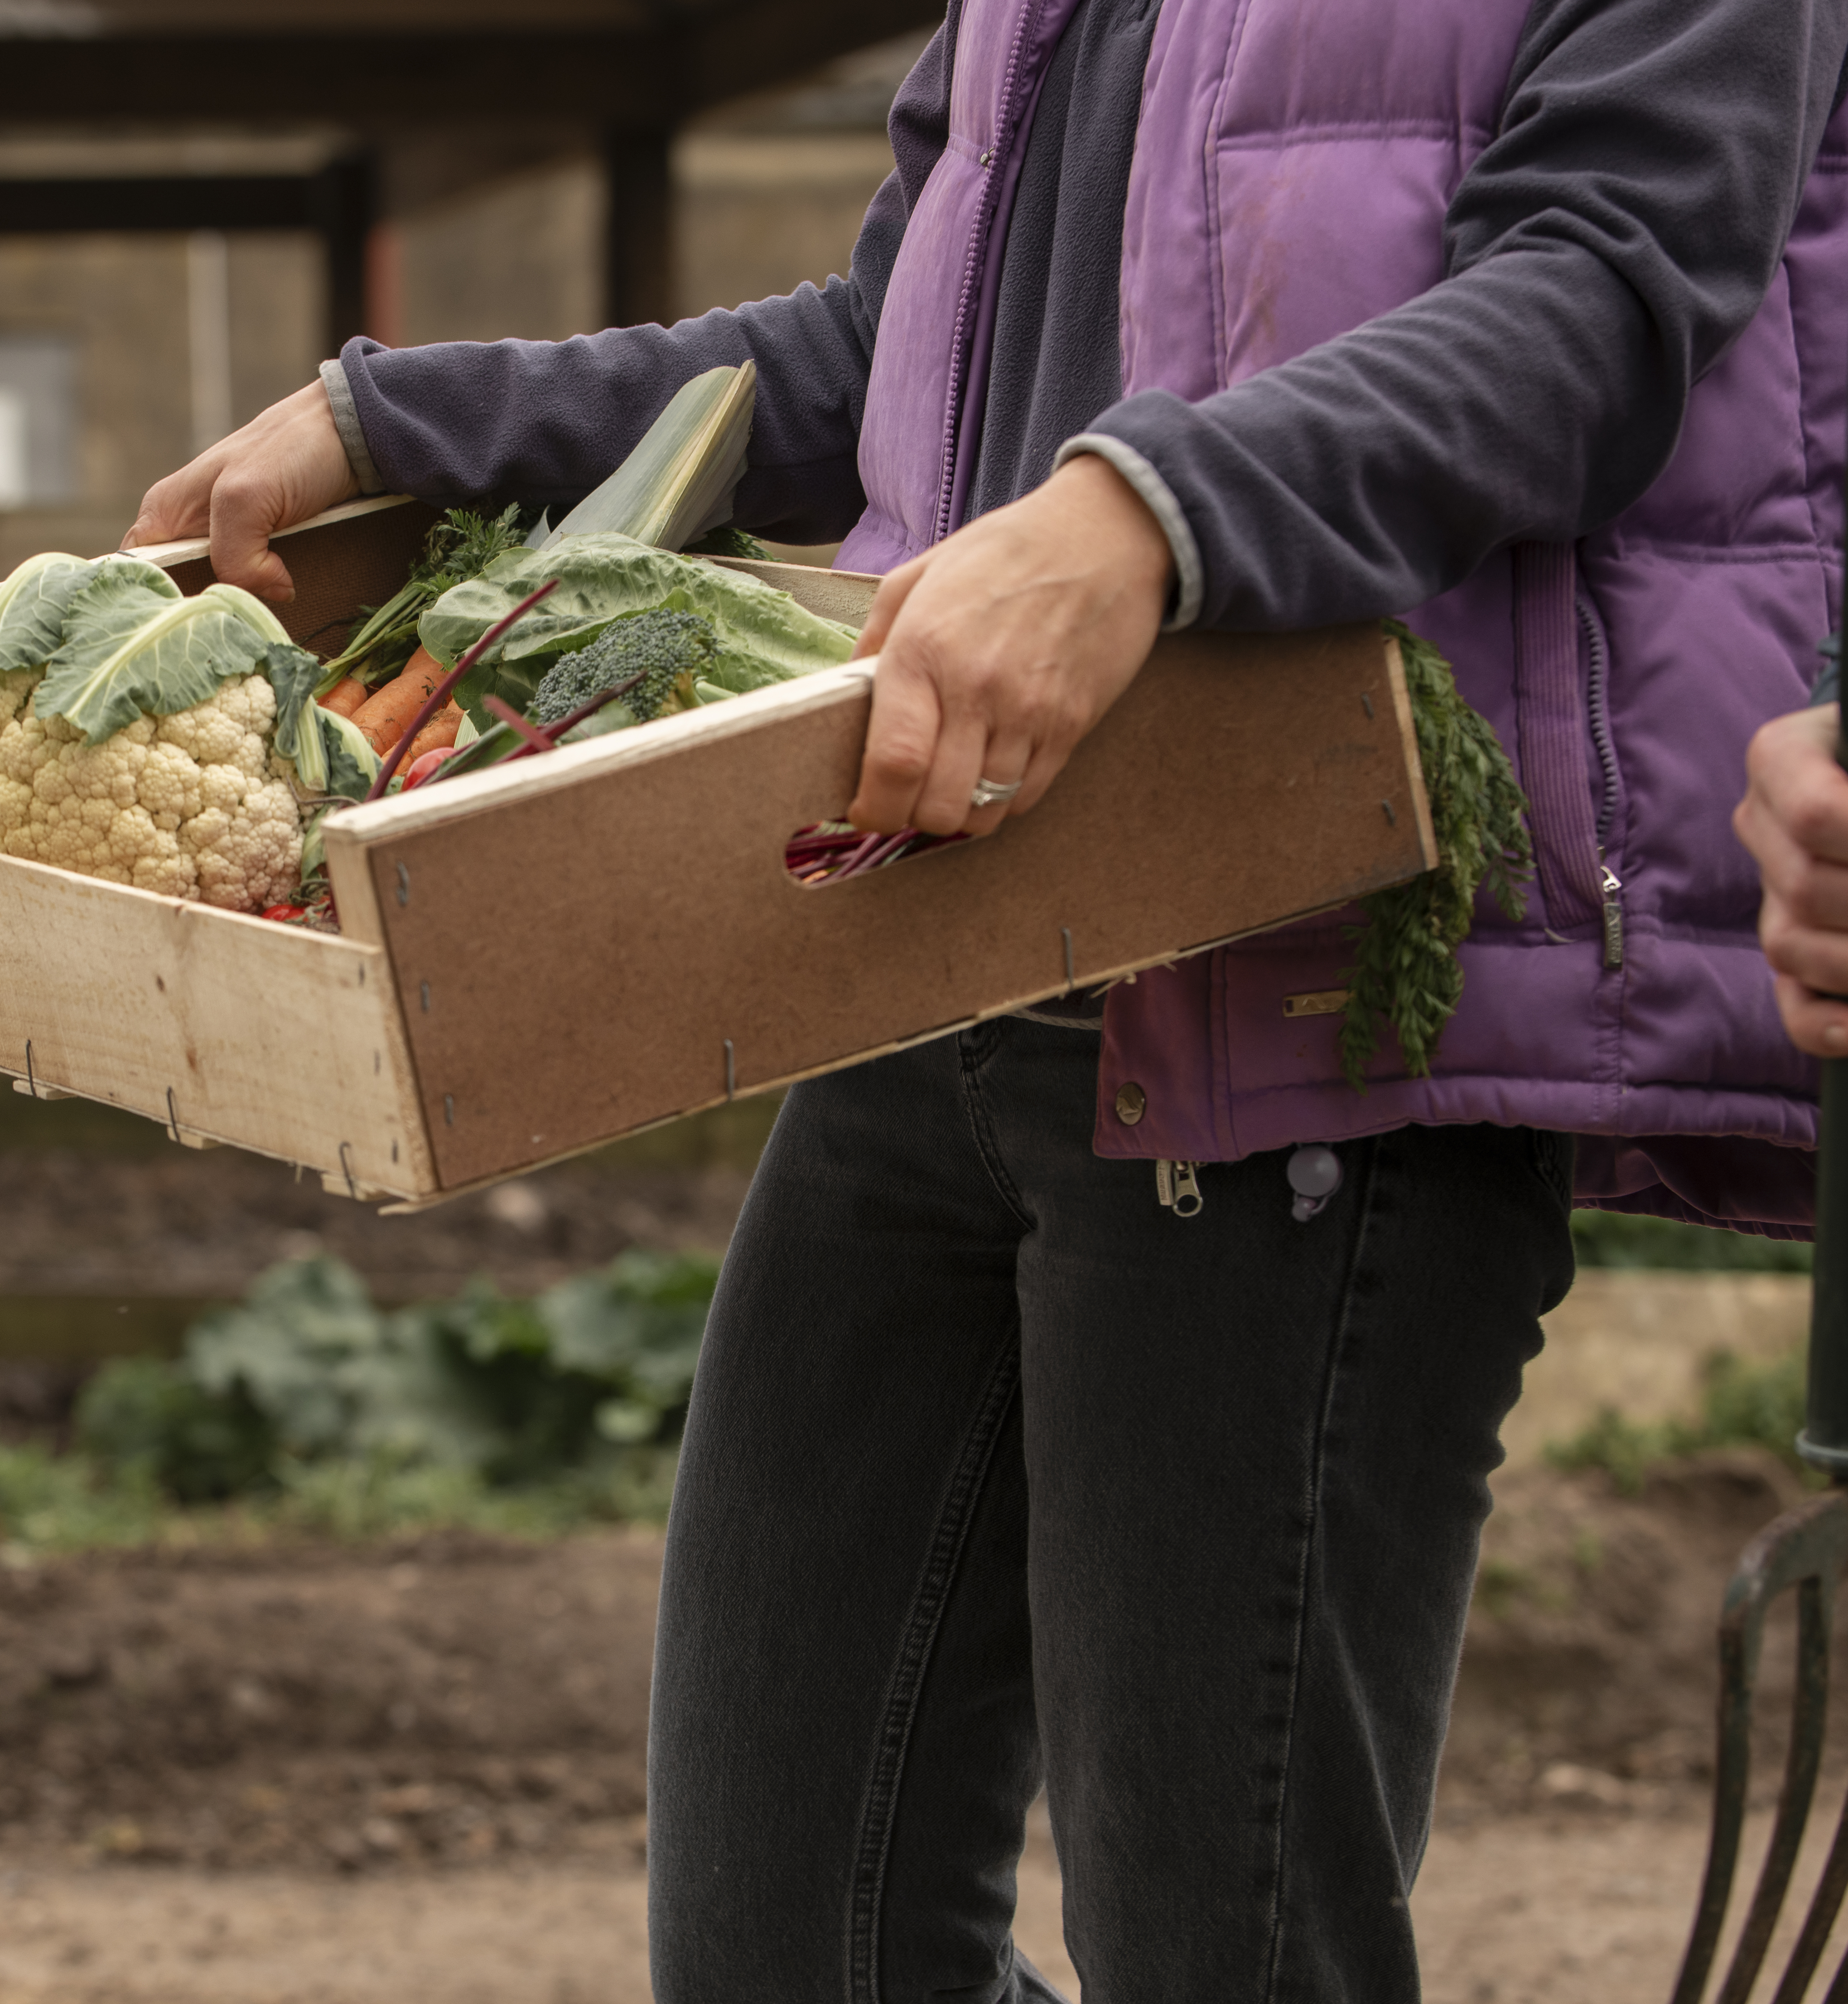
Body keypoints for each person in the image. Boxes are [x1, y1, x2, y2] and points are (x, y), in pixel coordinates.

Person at [134, 2, 1848, 1997]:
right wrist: (402, 424)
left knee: (1223, 1954)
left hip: (1304, 997)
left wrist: (1146, 517)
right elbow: (895, 370)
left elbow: (1609, 299)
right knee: (788, 1949)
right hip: (932, 971)